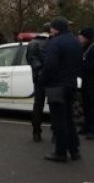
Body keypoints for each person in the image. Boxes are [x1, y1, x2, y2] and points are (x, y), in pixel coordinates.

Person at [39, 17, 82, 162]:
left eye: (51, 28)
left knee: (58, 121)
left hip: (56, 86)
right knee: (69, 119)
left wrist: (42, 79)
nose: (50, 30)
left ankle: (60, 152)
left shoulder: (55, 42)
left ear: (56, 28)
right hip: (71, 84)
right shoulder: (76, 41)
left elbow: (50, 66)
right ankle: (74, 150)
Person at [26, 22, 50, 142]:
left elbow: (30, 59)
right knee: (54, 106)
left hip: (38, 78)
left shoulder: (32, 43)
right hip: (51, 78)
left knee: (38, 105)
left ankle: (36, 132)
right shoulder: (53, 42)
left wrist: (39, 71)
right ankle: (56, 134)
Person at [77, 27, 94, 140]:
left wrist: (81, 67)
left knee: (92, 106)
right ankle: (86, 126)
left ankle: (92, 130)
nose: (79, 37)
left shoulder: (92, 49)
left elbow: (90, 66)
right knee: (86, 105)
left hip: (92, 82)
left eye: (81, 36)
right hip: (86, 81)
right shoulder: (84, 47)